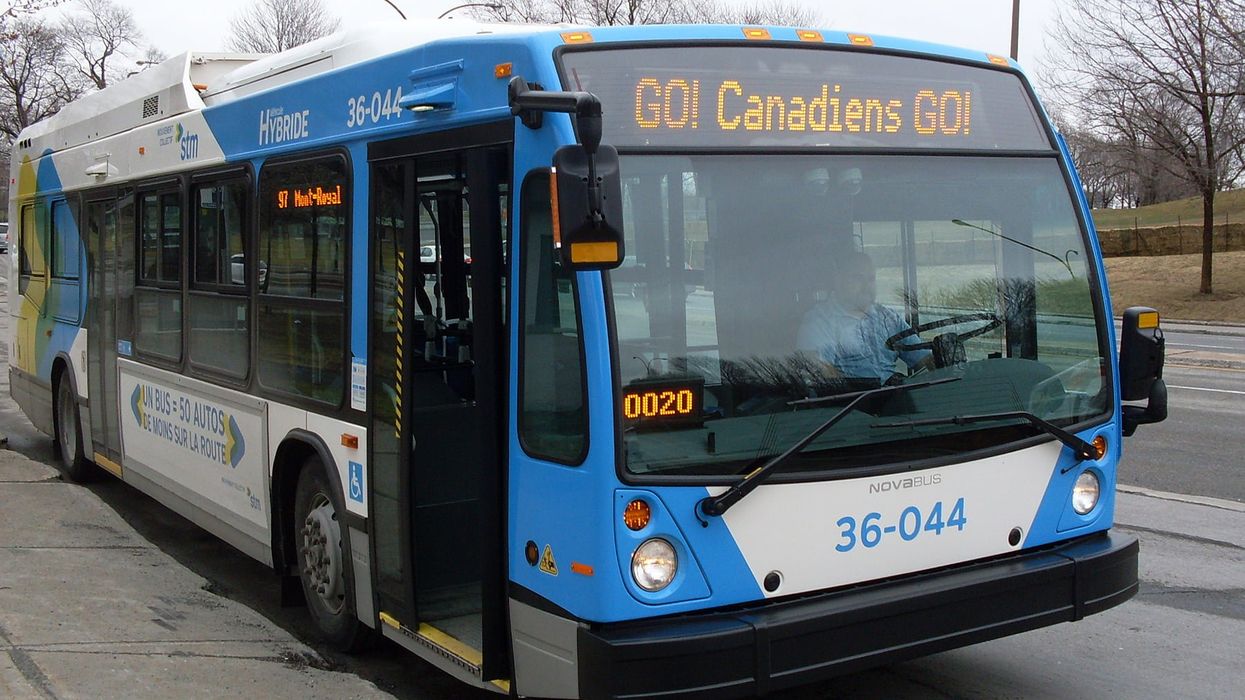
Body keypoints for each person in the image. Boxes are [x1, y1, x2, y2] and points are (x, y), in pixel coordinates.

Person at [796, 250, 933, 384]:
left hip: (894, 395)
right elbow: (824, 377)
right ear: (838, 280)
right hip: (854, 402)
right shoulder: (819, 322)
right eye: (858, 278)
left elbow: (924, 359)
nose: (866, 286)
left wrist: (946, 356)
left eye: (871, 279)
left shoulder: (887, 318)